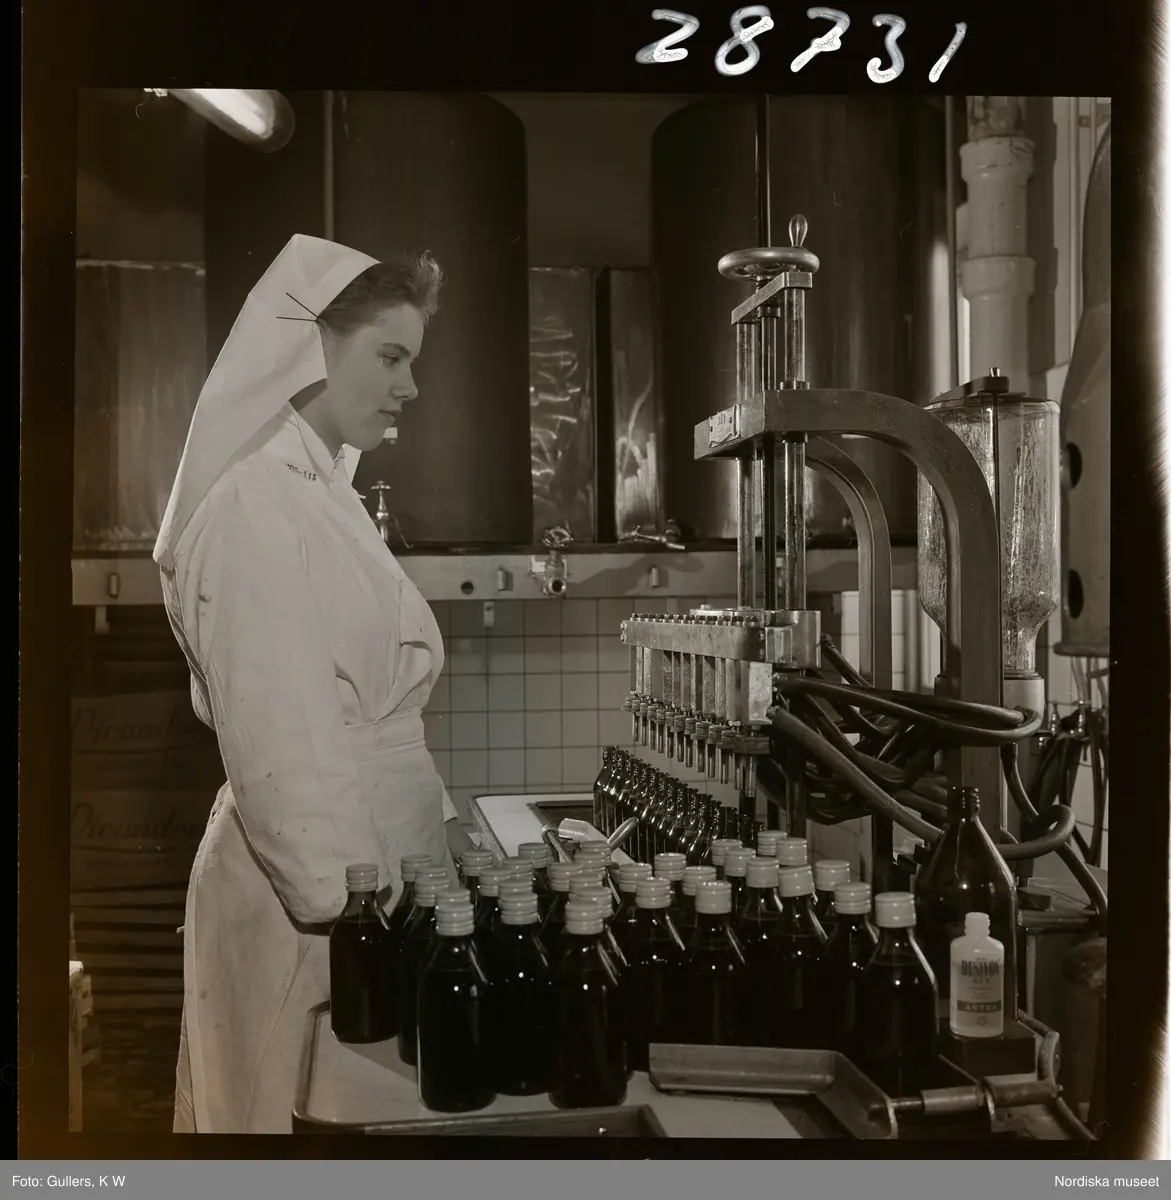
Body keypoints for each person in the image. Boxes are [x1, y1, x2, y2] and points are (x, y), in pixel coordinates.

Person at [154, 234, 474, 1134]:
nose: (410, 387)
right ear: (310, 346)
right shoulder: (251, 503)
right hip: (315, 905)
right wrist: (356, 920)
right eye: (390, 356)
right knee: (281, 1127)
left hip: (362, 889)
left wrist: (436, 851)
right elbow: (284, 744)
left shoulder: (316, 486)